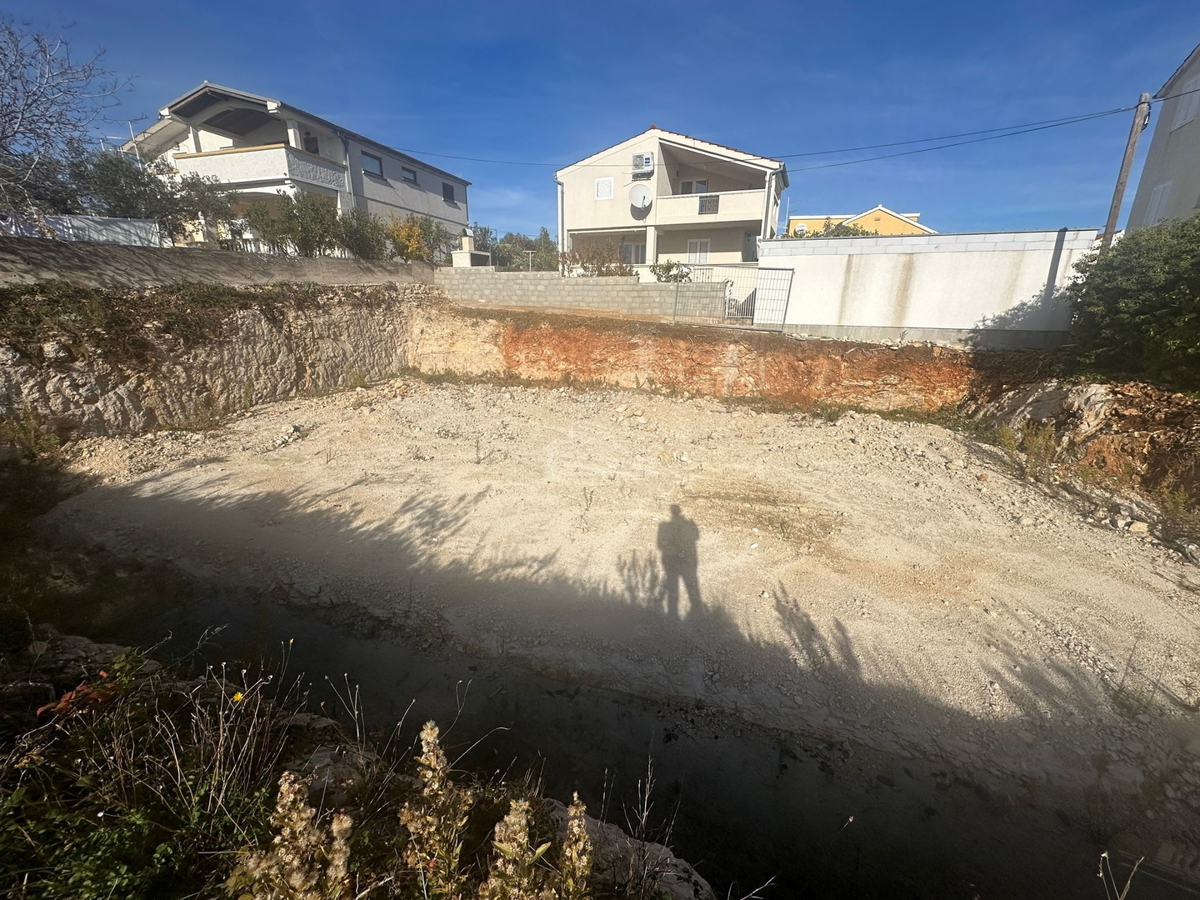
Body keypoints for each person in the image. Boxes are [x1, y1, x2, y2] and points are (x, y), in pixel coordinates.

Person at [656, 504, 701, 618]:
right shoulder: (687, 524)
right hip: (683, 559)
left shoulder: (664, 526)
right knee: (690, 585)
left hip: (672, 559)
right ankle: (695, 613)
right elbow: (696, 536)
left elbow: (660, 545)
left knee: (674, 587)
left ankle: (674, 615)